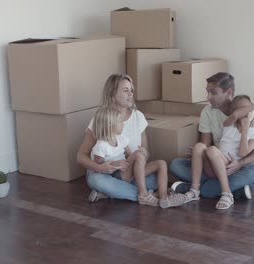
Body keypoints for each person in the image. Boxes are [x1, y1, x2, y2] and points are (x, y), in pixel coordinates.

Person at [77, 74, 186, 207]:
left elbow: (146, 153)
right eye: (125, 90)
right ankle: (150, 197)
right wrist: (100, 167)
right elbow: (81, 156)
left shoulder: (138, 116)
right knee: (97, 181)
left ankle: (112, 193)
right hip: (104, 173)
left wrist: (143, 154)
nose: (131, 94)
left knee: (153, 179)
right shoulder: (100, 119)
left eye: (131, 90)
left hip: (130, 170)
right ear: (112, 94)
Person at [170, 72, 254, 202]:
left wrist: (239, 164)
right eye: (208, 92)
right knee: (176, 165)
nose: (208, 97)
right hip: (217, 162)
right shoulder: (208, 111)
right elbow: (205, 145)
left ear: (228, 92)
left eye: (213, 92)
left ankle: (200, 189)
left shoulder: (250, 111)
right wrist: (197, 155)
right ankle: (234, 188)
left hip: (242, 166)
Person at [184, 95, 254, 209]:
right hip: (214, 167)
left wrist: (245, 130)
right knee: (198, 147)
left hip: (230, 168)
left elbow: (243, 153)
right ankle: (194, 191)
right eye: (243, 110)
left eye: (250, 109)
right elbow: (235, 115)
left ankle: (226, 193)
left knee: (212, 150)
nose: (247, 113)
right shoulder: (228, 125)